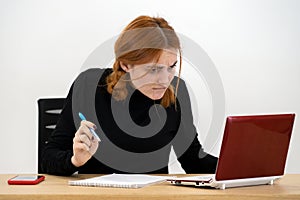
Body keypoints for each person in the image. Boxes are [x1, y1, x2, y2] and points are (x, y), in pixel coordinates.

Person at [41, 15, 218, 176]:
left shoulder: (177, 90)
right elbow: (48, 157)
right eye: (153, 69)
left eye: (171, 66)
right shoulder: (89, 85)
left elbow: (193, 160)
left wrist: (239, 166)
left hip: (153, 197)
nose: (165, 80)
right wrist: (75, 160)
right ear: (126, 65)